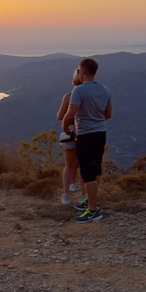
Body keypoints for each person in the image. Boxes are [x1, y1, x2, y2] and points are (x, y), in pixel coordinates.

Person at [62, 57, 113, 223]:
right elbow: (108, 114)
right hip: (101, 133)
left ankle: (93, 210)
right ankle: (89, 201)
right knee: (96, 170)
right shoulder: (105, 89)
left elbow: (70, 113)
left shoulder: (79, 91)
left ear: (82, 72)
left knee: (87, 173)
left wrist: (65, 127)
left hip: (85, 135)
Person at [57, 69, 86, 205]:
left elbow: (60, 116)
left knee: (68, 166)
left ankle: (66, 195)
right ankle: (83, 195)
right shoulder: (88, 96)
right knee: (83, 166)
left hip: (70, 134)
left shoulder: (68, 96)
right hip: (85, 134)